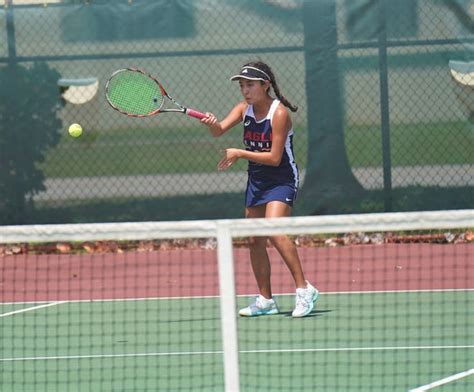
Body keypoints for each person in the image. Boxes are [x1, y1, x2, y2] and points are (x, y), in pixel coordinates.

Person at [201, 61, 318, 318]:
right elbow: (218, 131)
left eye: (250, 85)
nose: (245, 90)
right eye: (242, 86)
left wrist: (241, 153)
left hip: (282, 178)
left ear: (265, 86)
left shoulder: (279, 114)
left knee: (274, 230)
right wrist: (211, 122)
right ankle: (266, 300)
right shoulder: (244, 110)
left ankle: (304, 289)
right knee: (254, 239)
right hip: (257, 180)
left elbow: (275, 158)